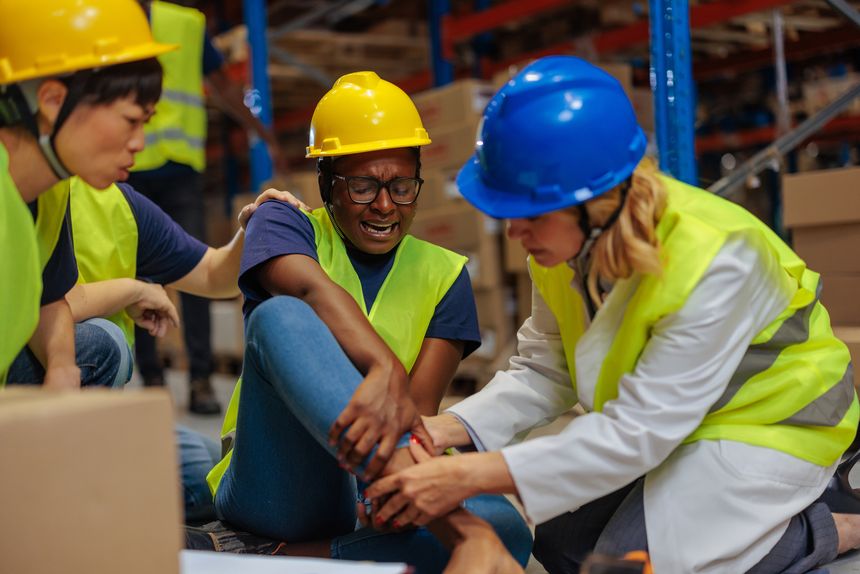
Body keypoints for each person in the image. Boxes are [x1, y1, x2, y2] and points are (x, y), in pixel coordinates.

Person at [366, 56, 860, 574]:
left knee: (629, 565)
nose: (515, 234)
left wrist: (465, 476)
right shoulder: (562, 249)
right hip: (681, 420)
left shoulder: (718, 260)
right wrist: (447, 429)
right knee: (560, 545)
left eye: (531, 215)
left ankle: (825, 526)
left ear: (597, 202)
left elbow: (639, 432)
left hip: (773, 423)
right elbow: (545, 369)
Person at [198, 71, 532, 573]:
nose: (384, 205)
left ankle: (273, 560)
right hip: (277, 483)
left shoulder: (444, 274)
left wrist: (399, 493)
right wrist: (385, 369)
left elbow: (416, 414)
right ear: (326, 183)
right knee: (281, 316)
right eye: (362, 186)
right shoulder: (283, 223)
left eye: (402, 186)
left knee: (505, 528)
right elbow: (307, 291)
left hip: (370, 483)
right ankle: (366, 549)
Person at [63, 175, 296, 523]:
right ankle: (75, 504)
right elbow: (45, 306)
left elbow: (213, 274)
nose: (140, 148)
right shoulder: (27, 190)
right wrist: (132, 291)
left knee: (216, 472)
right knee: (105, 342)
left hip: (100, 414)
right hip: (28, 398)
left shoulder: (118, 203)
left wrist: (252, 228)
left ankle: (112, 493)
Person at [0, 0, 172, 386]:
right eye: (130, 119)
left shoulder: (50, 192)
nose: (139, 143)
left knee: (99, 347)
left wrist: (62, 368)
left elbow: (49, 298)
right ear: (52, 101)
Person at [129, 0, 286, 415]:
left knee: (193, 269)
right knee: (136, 275)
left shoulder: (187, 24)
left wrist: (262, 133)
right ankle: (153, 381)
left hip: (178, 170)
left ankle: (199, 379)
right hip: (129, 168)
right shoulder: (107, 18)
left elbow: (222, 86)